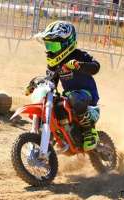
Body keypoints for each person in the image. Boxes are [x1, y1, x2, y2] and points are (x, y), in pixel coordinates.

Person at [31, 21, 100, 151]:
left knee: (74, 97)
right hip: (68, 97)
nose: (50, 50)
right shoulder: (54, 64)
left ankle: (89, 131)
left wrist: (80, 65)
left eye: (54, 46)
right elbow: (51, 81)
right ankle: (55, 135)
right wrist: (36, 85)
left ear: (67, 43)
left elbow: (96, 67)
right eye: (48, 46)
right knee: (51, 103)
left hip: (87, 95)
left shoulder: (78, 55)